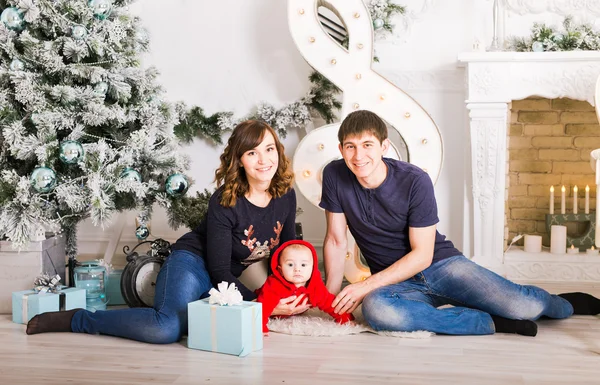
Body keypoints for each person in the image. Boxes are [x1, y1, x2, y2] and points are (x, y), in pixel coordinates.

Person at [320, 110, 600, 337]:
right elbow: (335, 239)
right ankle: (489, 322)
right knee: (379, 311)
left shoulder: (415, 180)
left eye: (367, 145)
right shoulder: (335, 174)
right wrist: (328, 299)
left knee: (522, 305)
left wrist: (364, 285)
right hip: (397, 282)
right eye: (350, 147)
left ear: (384, 146)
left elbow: (422, 255)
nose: (358, 156)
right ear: (341, 149)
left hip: (442, 266)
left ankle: (564, 303)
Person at [26, 120, 311, 343]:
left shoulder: (284, 194)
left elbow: (285, 254)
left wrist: (290, 294)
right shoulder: (226, 201)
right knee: (167, 329)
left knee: (200, 322)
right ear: (239, 160)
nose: (264, 160)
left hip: (222, 283)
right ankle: (79, 320)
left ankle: (193, 307)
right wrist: (262, 305)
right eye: (252, 152)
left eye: (269, 149)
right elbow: (220, 270)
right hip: (193, 263)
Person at [256, 240, 354, 333]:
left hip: (292, 312)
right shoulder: (274, 284)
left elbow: (329, 302)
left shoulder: (314, 285)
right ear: (280, 270)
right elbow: (263, 306)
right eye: (290, 264)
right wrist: (260, 328)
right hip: (265, 303)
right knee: (255, 302)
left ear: (312, 268)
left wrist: (346, 318)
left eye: (303, 265)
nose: (297, 269)